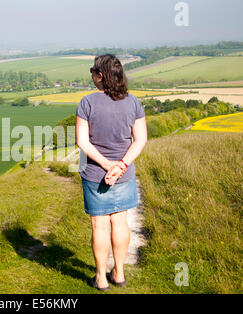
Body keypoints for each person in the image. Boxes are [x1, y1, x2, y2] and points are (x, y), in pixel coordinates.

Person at [75, 54, 148, 291]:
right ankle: (119, 273)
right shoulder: (133, 102)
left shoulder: (86, 103)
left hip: (95, 174)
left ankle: (101, 278)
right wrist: (121, 166)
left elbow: (82, 142)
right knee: (120, 222)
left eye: (93, 72)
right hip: (124, 174)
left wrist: (107, 165)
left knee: (99, 226)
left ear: (101, 75)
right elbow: (140, 140)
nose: (92, 76)